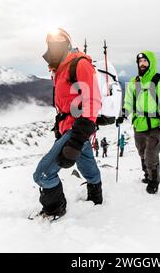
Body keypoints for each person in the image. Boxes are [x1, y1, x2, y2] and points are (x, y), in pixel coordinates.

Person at [33, 28, 103, 220]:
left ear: (66, 43)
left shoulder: (79, 64)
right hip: (69, 127)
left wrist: (77, 138)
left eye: (56, 42)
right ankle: (96, 199)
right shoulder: (60, 68)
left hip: (77, 128)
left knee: (44, 174)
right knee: (86, 164)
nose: (51, 47)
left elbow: (93, 101)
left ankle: (56, 209)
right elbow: (66, 102)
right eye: (49, 43)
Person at [116, 51, 160, 194]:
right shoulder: (135, 82)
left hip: (155, 124)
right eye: (140, 62)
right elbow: (129, 102)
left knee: (151, 155)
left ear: (151, 62)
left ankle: (153, 181)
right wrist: (124, 114)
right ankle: (147, 174)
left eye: (145, 61)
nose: (142, 64)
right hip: (139, 124)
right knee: (142, 153)